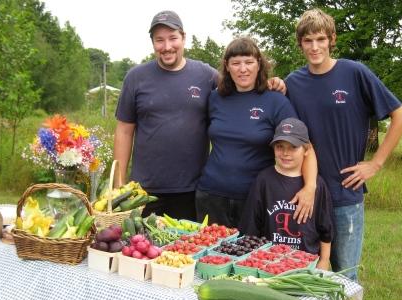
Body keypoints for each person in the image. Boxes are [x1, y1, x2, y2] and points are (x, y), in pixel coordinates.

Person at [114, 11, 286, 220]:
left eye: (173, 38)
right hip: (143, 190)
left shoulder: (206, 75)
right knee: (140, 250)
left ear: (183, 38)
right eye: (160, 40)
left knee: (184, 250)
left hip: (192, 189)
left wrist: (270, 83)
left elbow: (241, 84)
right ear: (152, 43)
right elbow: (124, 131)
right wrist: (119, 183)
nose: (167, 46)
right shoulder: (136, 77)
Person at [285, 8, 402, 280]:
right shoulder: (293, 83)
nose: (315, 46)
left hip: (345, 193)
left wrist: (376, 164)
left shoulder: (355, 72)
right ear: (300, 44)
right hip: (306, 195)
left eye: (320, 39)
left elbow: (400, 115)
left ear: (332, 39)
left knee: (345, 277)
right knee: (302, 274)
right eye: (308, 41)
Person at [196, 37, 318, 228]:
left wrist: (310, 188)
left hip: (256, 196)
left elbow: (305, 147)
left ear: (259, 64)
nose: (242, 69)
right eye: (235, 63)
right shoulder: (215, 98)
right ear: (227, 67)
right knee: (209, 256)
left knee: (250, 256)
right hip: (211, 195)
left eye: (249, 62)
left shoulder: (276, 101)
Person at [239, 118, 333, 270]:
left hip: (306, 263)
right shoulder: (264, 180)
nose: (285, 153)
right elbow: (252, 226)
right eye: (279, 146)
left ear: (307, 150)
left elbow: (326, 228)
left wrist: (324, 260)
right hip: (269, 263)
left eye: (293, 147)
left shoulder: (316, 185)